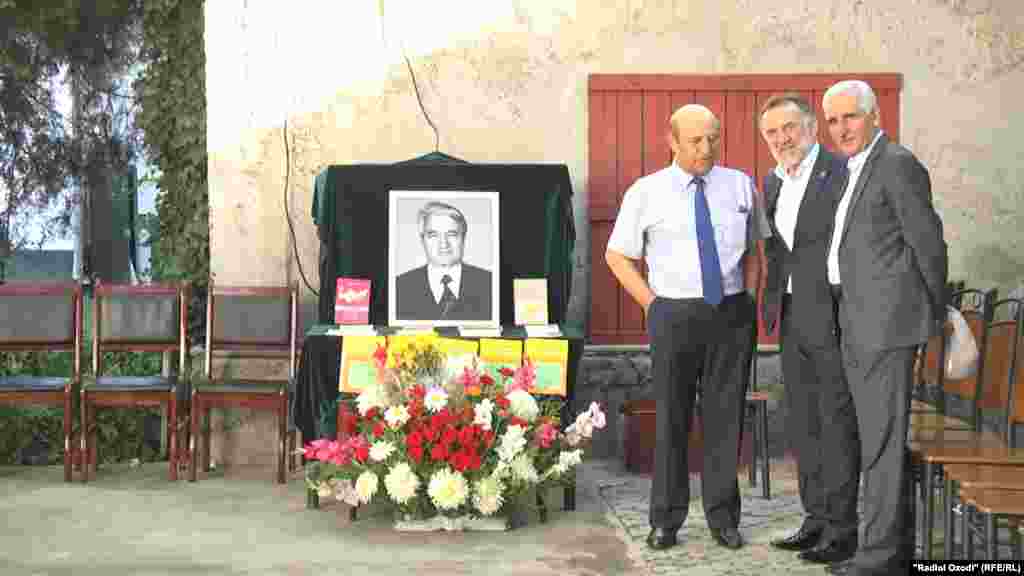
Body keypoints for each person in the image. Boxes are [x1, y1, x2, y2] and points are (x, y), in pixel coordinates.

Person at [605, 104, 768, 552]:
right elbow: (616, 255)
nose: (706, 148)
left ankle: (723, 518)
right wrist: (652, 304)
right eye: (695, 140)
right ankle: (665, 519)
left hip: (730, 314)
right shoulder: (646, 192)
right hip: (673, 314)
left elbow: (756, 251)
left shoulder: (740, 185)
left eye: (713, 138)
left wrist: (748, 299)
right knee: (671, 419)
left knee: (725, 419)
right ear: (672, 141)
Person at [821, 80, 947, 576]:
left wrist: (934, 314)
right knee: (874, 442)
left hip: (886, 327)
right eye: (833, 121)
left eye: (850, 117)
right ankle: (886, 549)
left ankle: (880, 558)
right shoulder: (854, 168)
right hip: (857, 322)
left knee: (882, 446)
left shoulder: (896, 163)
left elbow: (928, 244)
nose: (841, 129)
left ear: (875, 116)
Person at [758, 93, 861, 565]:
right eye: (772, 133)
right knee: (804, 420)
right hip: (792, 312)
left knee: (835, 421)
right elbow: (778, 249)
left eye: (789, 128)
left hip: (833, 312)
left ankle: (842, 529)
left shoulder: (841, 172)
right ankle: (815, 518)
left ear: (812, 128)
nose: (782, 139)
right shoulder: (772, 181)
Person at [395, 201, 492, 321]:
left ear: (463, 238)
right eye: (433, 235)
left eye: (452, 234)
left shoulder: (490, 283)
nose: (443, 244)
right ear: (422, 240)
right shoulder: (399, 287)